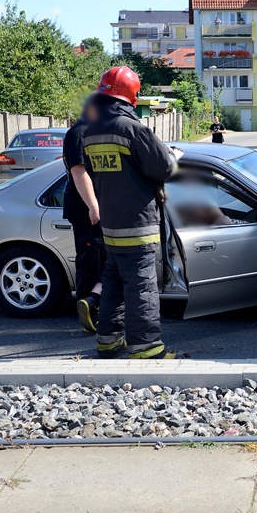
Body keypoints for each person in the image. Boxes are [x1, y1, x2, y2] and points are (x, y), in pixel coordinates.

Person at [83, 66, 181, 359]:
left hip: (111, 225)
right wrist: (171, 155)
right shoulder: (133, 129)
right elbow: (163, 168)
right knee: (142, 289)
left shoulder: (90, 132)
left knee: (112, 284)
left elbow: (94, 173)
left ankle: (108, 341)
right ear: (132, 96)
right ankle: (146, 348)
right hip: (138, 224)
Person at [62, 96, 104, 333]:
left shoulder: (91, 130)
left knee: (101, 259)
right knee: (91, 260)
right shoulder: (80, 132)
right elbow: (79, 171)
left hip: (93, 207)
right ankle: (88, 313)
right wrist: (93, 206)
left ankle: (94, 306)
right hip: (86, 210)